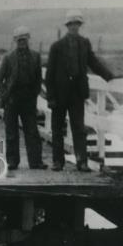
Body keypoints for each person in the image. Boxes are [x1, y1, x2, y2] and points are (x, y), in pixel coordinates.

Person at [44, 10, 115, 171]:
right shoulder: (56, 47)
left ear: (79, 26)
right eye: (71, 24)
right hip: (60, 94)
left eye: (77, 24)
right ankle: (58, 161)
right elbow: (49, 75)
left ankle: (81, 162)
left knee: (79, 128)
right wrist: (51, 97)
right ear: (67, 26)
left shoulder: (84, 43)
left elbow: (94, 63)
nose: (74, 27)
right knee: (57, 128)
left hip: (77, 93)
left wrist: (109, 76)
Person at [0, 26, 47, 170]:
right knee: (11, 132)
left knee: (32, 131)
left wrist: (35, 94)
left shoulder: (36, 56)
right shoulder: (8, 58)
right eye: (19, 40)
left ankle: (35, 161)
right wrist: (4, 96)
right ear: (15, 41)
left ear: (28, 39)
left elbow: (38, 79)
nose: (22, 42)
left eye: (24, 39)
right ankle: (12, 161)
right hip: (12, 99)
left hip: (28, 99)